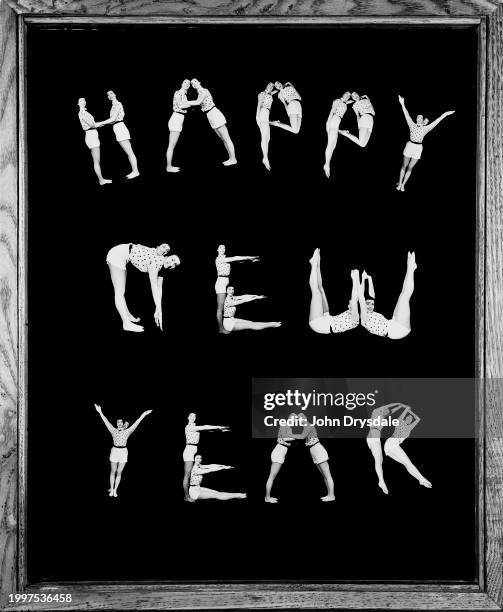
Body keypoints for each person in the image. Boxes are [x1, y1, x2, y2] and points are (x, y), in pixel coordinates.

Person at [105, 242, 180, 332]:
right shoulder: (156, 262)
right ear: (167, 256)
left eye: (175, 264)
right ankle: (126, 324)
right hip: (118, 254)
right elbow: (154, 287)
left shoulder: (161, 268)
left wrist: (158, 309)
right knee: (119, 292)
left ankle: (128, 316)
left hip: (123, 253)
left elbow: (159, 289)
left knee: (121, 291)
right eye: (172, 259)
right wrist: (160, 312)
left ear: (172, 268)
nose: (171, 263)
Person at [396, 95, 455, 191]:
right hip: (410, 145)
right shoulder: (411, 124)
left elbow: (438, 120)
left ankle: (403, 185)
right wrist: (402, 103)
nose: (419, 118)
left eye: (421, 117)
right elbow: (406, 114)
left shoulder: (426, 128)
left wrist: (446, 114)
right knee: (404, 166)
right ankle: (399, 183)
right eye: (418, 117)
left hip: (418, 148)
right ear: (416, 119)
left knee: (410, 168)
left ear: (423, 120)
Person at [94, 403, 152, 498]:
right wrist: (100, 411)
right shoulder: (113, 430)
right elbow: (105, 421)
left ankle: (115, 490)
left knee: (119, 472)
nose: (119, 423)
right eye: (118, 422)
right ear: (116, 424)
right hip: (114, 451)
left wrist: (144, 414)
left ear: (123, 423)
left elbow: (137, 422)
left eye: (121, 422)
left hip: (123, 452)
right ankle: (111, 489)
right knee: (113, 471)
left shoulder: (127, 431)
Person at [358, 252, 416, 340]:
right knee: (405, 295)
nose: (370, 306)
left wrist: (369, 278)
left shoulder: (370, 313)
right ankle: (411, 267)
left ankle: (411, 267)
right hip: (397, 330)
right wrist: (362, 279)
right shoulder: (363, 317)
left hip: (392, 322)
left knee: (403, 294)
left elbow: (371, 294)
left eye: (372, 304)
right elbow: (361, 296)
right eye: (368, 303)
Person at [308, 248, 360, 334]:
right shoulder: (352, 310)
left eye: (352, 305)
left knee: (316, 291)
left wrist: (355, 279)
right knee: (320, 289)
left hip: (320, 324)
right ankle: (317, 264)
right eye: (349, 304)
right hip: (328, 318)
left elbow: (355, 298)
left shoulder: (356, 318)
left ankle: (313, 264)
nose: (350, 306)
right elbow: (354, 298)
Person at [183, 413, 230, 502]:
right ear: (188, 417)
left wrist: (220, 430)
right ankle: (186, 496)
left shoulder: (195, 427)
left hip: (193, 449)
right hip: (189, 451)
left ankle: (192, 491)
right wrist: (219, 427)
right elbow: (205, 427)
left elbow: (206, 430)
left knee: (192, 473)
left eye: (194, 416)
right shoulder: (189, 427)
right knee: (187, 475)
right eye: (191, 416)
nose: (193, 417)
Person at [191, 78, 237, 166]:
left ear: (199, 82)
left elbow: (198, 102)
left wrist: (183, 101)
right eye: (192, 83)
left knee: (227, 139)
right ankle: (231, 158)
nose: (194, 84)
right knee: (223, 139)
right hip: (210, 115)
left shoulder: (204, 91)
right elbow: (198, 104)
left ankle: (234, 159)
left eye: (195, 81)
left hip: (214, 113)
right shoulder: (199, 93)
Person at [384, 405, 432, 488]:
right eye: (408, 418)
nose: (409, 419)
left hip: (391, 445)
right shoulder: (400, 422)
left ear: (410, 422)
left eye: (410, 419)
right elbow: (403, 415)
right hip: (392, 442)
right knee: (409, 463)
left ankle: (420, 480)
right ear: (405, 418)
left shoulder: (409, 428)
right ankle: (422, 479)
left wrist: (411, 413)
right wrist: (407, 409)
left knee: (406, 464)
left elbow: (417, 419)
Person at [215, 245, 260, 333]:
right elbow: (235, 258)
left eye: (224, 248)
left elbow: (237, 261)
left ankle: (225, 325)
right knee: (220, 308)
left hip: (224, 281)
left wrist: (249, 260)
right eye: (220, 248)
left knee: (224, 307)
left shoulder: (225, 259)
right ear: (217, 250)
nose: (222, 249)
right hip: (221, 283)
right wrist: (249, 257)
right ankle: (221, 329)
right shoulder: (219, 259)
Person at [95, 90, 140, 179]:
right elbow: (112, 121)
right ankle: (134, 171)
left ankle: (136, 171)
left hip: (120, 128)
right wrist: (100, 125)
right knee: (129, 153)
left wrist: (99, 123)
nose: (110, 95)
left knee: (130, 152)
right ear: (108, 98)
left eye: (111, 93)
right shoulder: (113, 106)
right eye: (108, 95)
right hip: (117, 127)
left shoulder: (117, 104)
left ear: (115, 94)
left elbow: (113, 119)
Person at [366, 403, 408, 494]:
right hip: (372, 437)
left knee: (379, 461)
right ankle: (381, 481)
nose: (387, 412)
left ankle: (381, 481)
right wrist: (398, 403)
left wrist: (401, 407)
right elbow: (387, 407)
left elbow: (391, 411)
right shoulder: (376, 412)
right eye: (385, 410)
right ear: (382, 409)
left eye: (387, 412)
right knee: (378, 461)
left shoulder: (383, 415)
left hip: (375, 439)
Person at [298, 413, 335, 501]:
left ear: (305, 417)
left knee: (327, 475)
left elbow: (301, 437)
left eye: (301, 418)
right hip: (314, 450)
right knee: (324, 475)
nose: (300, 420)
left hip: (318, 449)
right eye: (299, 419)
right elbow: (307, 441)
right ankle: (329, 495)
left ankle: (332, 496)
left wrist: (289, 435)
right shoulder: (305, 427)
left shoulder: (308, 426)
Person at [265, 414, 299, 503]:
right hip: (278, 452)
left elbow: (281, 440)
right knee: (271, 477)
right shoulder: (284, 425)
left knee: (273, 476)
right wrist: (296, 437)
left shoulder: (288, 427)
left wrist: (289, 443)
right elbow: (284, 438)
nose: (295, 421)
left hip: (280, 451)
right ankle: (267, 498)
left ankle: (268, 497)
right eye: (294, 419)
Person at [77, 97, 112, 185]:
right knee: (96, 161)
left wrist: (100, 124)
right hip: (91, 136)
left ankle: (102, 179)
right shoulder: (82, 112)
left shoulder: (85, 112)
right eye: (81, 100)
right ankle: (101, 180)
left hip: (92, 136)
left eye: (84, 100)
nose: (83, 101)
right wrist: (104, 122)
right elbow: (92, 124)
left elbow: (94, 125)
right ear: (78, 104)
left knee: (97, 161)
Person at [166, 79, 196, 173]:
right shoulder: (179, 93)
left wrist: (189, 103)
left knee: (172, 145)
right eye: (185, 82)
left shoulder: (183, 93)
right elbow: (180, 105)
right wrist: (193, 103)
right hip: (176, 118)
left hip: (178, 119)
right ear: (181, 83)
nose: (187, 84)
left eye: (188, 83)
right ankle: (169, 167)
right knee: (171, 145)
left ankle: (169, 166)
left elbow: (183, 104)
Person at [323, 91, 352, 178]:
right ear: (343, 94)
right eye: (346, 94)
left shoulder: (345, 102)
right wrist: (328, 123)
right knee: (330, 144)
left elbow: (349, 102)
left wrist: (355, 100)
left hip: (336, 122)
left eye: (349, 95)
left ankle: (327, 164)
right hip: (333, 119)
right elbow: (332, 110)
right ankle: (326, 165)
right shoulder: (337, 101)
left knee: (333, 146)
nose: (347, 95)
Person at [256, 82, 276, 170]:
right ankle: (265, 158)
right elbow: (259, 105)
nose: (271, 87)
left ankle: (265, 158)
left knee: (267, 138)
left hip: (266, 114)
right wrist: (257, 117)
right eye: (270, 85)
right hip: (262, 113)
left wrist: (280, 88)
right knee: (264, 137)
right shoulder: (262, 93)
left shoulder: (269, 94)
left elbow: (275, 91)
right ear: (266, 85)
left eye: (272, 86)